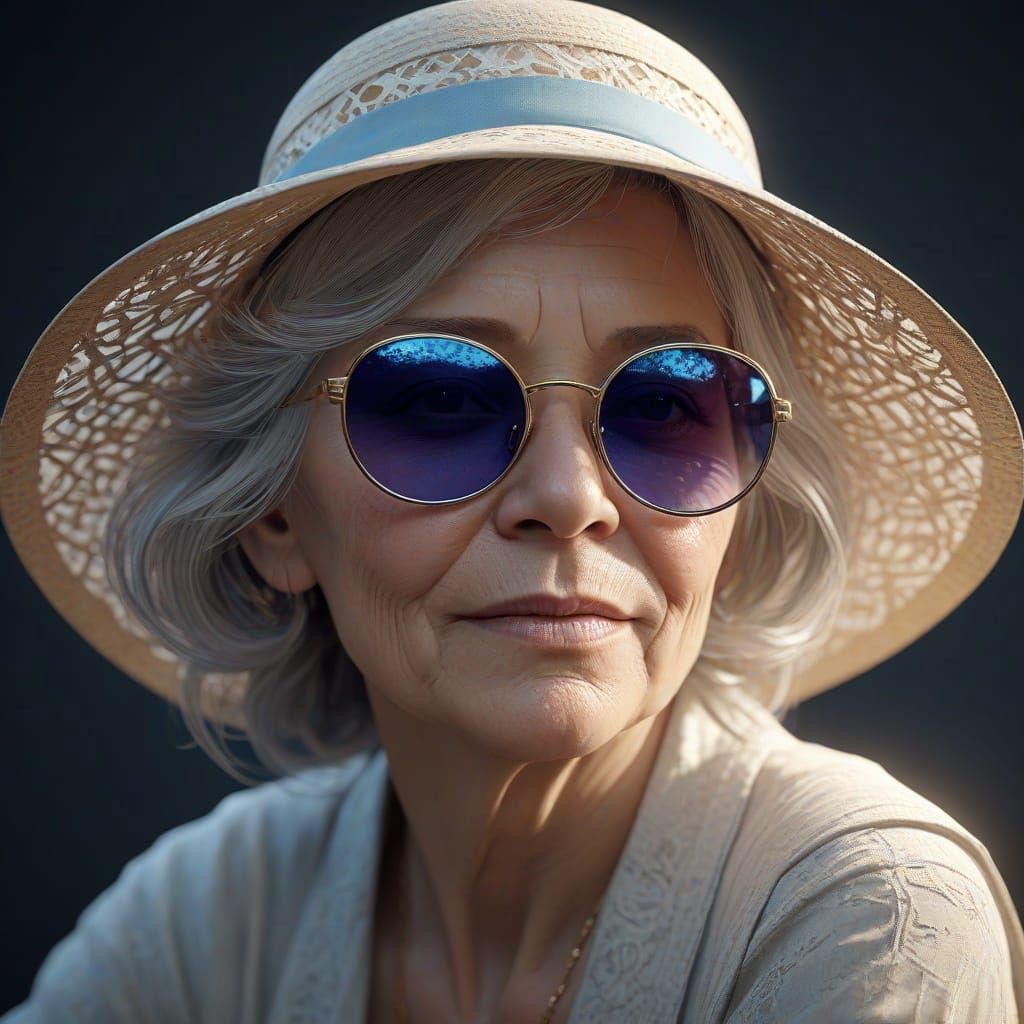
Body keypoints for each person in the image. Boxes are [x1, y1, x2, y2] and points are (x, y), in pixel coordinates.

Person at [2, 1, 1022, 1021]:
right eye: (440, 398)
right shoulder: (206, 917)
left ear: (738, 514)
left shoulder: (868, 914)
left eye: (666, 402)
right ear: (273, 514)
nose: (570, 501)